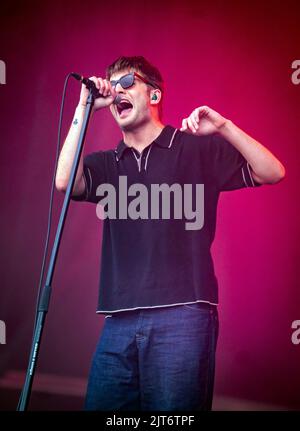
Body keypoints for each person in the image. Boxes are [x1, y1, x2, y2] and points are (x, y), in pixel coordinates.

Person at [55, 56, 285, 411]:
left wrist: (224, 126)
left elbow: (273, 172)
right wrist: (84, 108)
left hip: (184, 315)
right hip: (119, 319)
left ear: (155, 95)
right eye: (111, 85)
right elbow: (64, 182)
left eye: (128, 81)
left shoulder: (194, 149)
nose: (117, 91)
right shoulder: (106, 163)